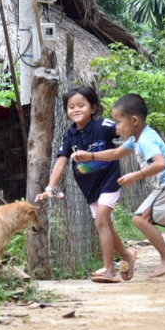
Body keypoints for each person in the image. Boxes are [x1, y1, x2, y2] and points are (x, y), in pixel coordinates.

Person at [72, 93, 165, 279]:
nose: (117, 127)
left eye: (119, 122)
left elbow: (160, 164)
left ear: (134, 120)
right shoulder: (136, 139)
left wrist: (137, 175)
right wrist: (90, 156)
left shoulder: (146, 139)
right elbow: (115, 153)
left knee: (140, 219)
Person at [36, 85, 135, 283]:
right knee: (105, 224)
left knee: (100, 221)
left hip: (109, 182)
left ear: (93, 108)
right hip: (89, 188)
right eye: (71, 106)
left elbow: (125, 130)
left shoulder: (103, 126)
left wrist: (131, 122)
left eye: (81, 105)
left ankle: (109, 269)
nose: (76, 109)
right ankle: (127, 255)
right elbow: (61, 162)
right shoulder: (70, 135)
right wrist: (49, 188)